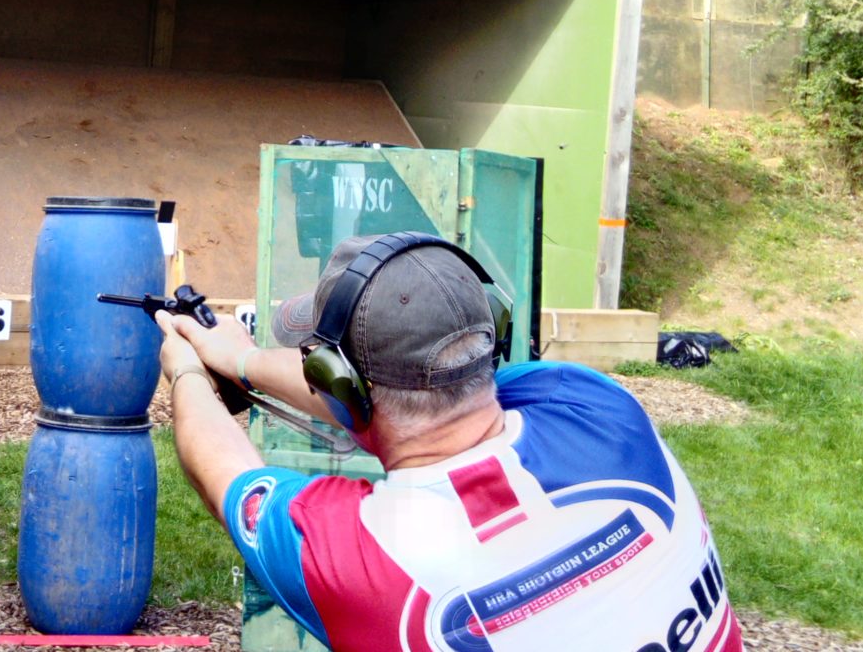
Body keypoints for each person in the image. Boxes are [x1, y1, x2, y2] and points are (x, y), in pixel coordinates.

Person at [155, 234, 742, 652]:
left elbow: (222, 471)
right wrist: (240, 358)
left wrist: (186, 367)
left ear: (342, 386)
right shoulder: (597, 404)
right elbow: (405, 400)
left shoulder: (366, 564)